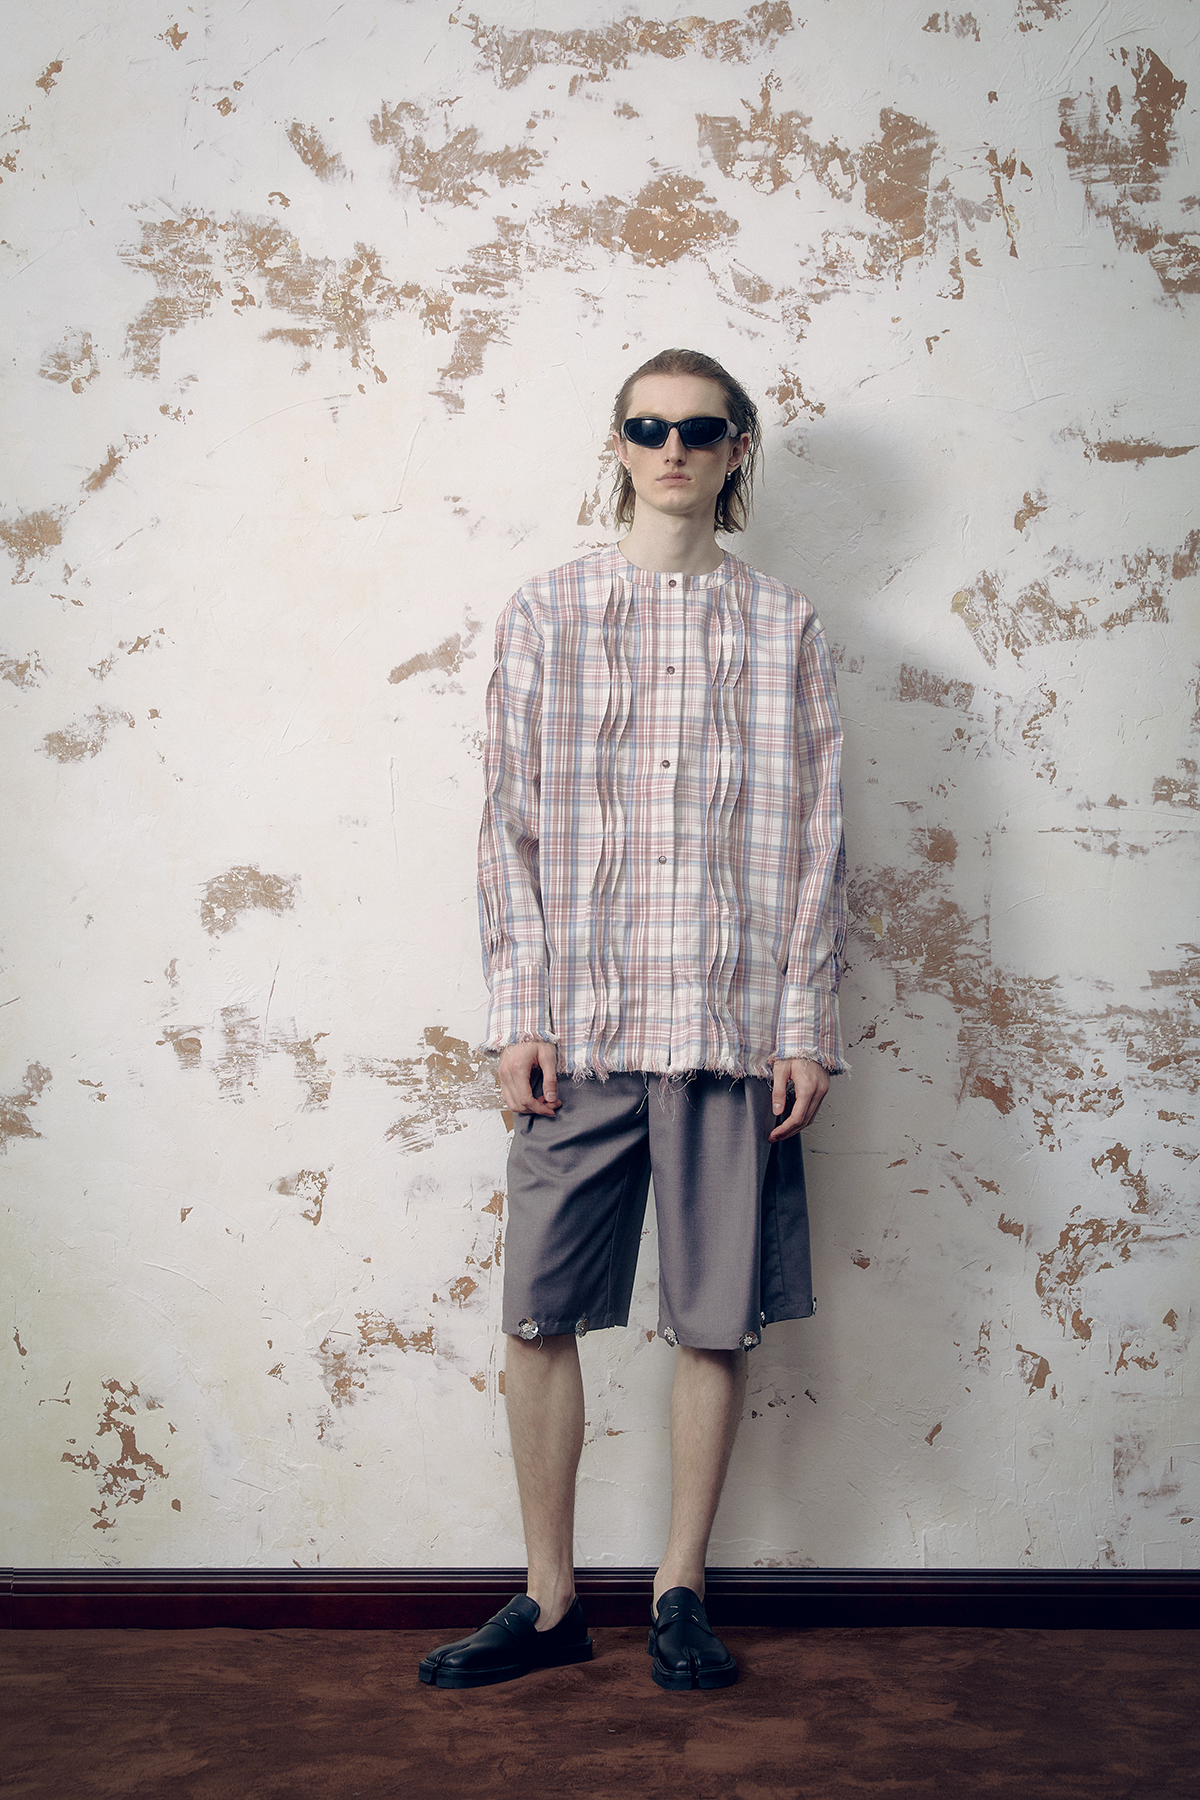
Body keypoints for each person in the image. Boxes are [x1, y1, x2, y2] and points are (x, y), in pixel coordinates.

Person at [419, 347, 846, 1693]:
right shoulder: (546, 613)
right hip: (583, 1028)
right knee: (538, 1312)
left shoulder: (784, 627)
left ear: (735, 452)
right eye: (648, 427)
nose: (673, 448)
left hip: (728, 1024)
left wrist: (803, 1023)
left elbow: (819, 841)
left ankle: (680, 1590)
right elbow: (509, 825)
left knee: (713, 1320)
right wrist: (518, 1012)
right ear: (617, 444)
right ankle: (549, 1600)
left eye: (699, 429)